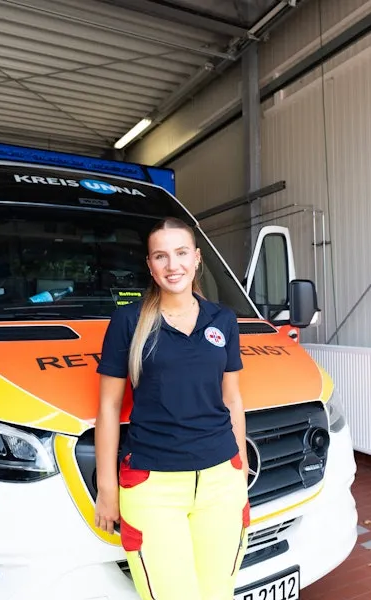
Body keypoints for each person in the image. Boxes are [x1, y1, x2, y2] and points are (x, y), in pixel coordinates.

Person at [94, 216, 250, 600]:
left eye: (181, 253)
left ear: (197, 258)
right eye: (160, 256)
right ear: (150, 265)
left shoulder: (223, 320)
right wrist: (106, 488)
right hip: (153, 488)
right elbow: (109, 407)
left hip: (222, 482)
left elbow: (232, 398)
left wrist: (241, 469)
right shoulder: (128, 321)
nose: (172, 265)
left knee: (218, 594)